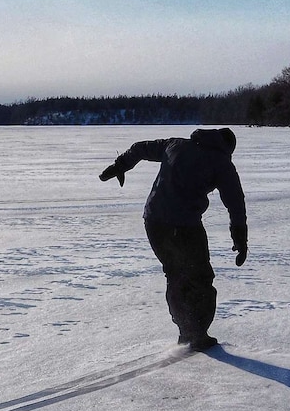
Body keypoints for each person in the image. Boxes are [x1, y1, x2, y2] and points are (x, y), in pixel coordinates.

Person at [99, 128, 248, 351]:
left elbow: (140, 148)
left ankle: (186, 331)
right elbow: (235, 201)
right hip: (184, 226)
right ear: (227, 148)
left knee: (176, 274)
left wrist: (121, 165)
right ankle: (196, 334)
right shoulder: (221, 161)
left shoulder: (175, 144)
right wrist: (240, 237)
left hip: (153, 222)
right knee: (200, 278)